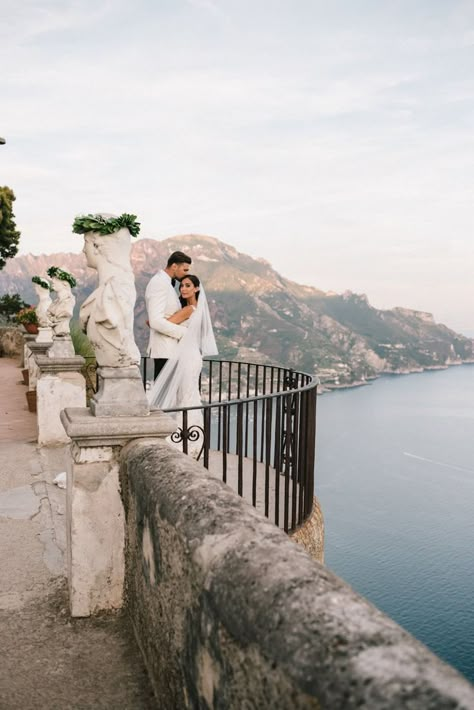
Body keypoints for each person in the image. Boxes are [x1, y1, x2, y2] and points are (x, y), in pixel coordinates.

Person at [147, 274, 218, 458]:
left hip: (187, 359)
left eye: (188, 285)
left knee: (184, 397)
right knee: (189, 396)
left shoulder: (189, 309)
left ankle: (183, 440)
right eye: (181, 286)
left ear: (196, 288)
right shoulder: (197, 309)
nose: (183, 289)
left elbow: (161, 325)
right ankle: (193, 440)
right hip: (193, 356)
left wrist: (152, 321)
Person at [145, 251, 192, 379]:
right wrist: (184, 333)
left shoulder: (166, 283)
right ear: (174, 266)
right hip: (164, 350)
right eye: (185, 270)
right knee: (163, 397)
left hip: (170, 349)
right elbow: (155, 321)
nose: (186, 274)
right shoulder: (159, 283)